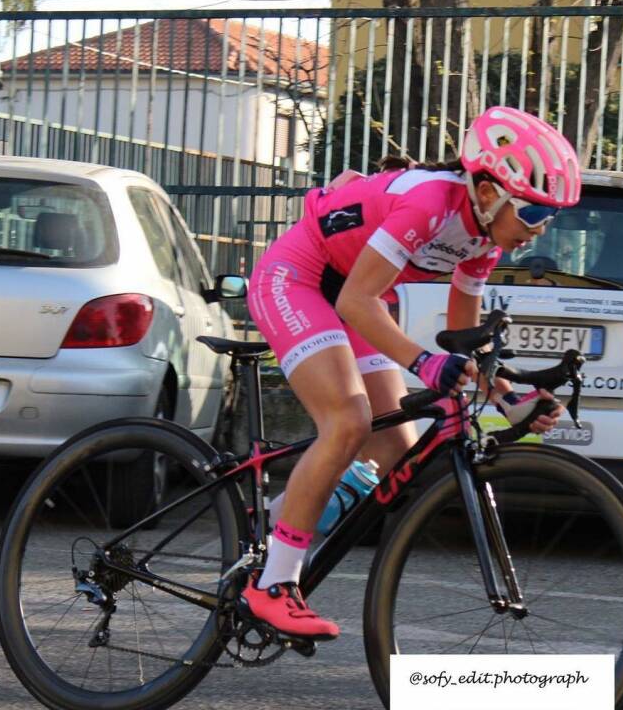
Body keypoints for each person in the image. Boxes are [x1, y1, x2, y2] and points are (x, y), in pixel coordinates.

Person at [241, 106, 582, 640]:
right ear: (490, 192)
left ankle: (269, 531)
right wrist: (422, 362)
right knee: (348, 422)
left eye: (549, 218)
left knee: (394, 444)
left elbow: (465, 336)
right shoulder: (430, 202)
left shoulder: (485, 235)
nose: (538, 232)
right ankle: (273, 583)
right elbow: (358, 300)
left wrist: (509, 397)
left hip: (354, 292)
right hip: (299, 278)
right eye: (535, 215)